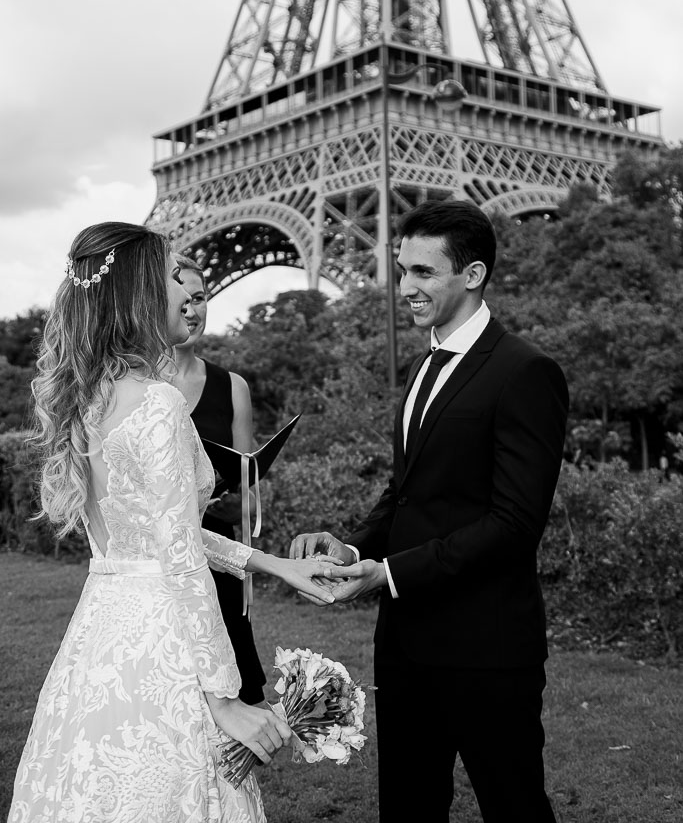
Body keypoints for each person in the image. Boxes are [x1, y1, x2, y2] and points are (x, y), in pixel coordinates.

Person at [8, 221, 336, 823]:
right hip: (167, 638)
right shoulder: (156, 400)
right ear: (136, 292)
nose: (185, 293)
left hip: (102, 635)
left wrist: (270, 563)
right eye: (169, 277)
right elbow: (179, 560)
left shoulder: (92, 396)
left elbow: (165, 535)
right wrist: (223, 697)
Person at [292, 199, 569, 823]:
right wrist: (354, 549)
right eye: (401, 270)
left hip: (487, 647)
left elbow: (516, 523)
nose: (405, 287)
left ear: (471, 276)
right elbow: (408, 492)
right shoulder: (424, 365)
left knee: (515, 806)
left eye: (423, 273)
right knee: (409, 807)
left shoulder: (526, 371)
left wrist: (389, 574)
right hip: (406, 643)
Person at [173, 253, 267, 705]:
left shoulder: (233, 387)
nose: (191, 309)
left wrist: (235, 502)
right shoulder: (130, 386)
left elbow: (249, 498)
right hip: (161, 570)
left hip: (220, 564)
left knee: (234, 700)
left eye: (200, 297)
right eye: (181, 298)